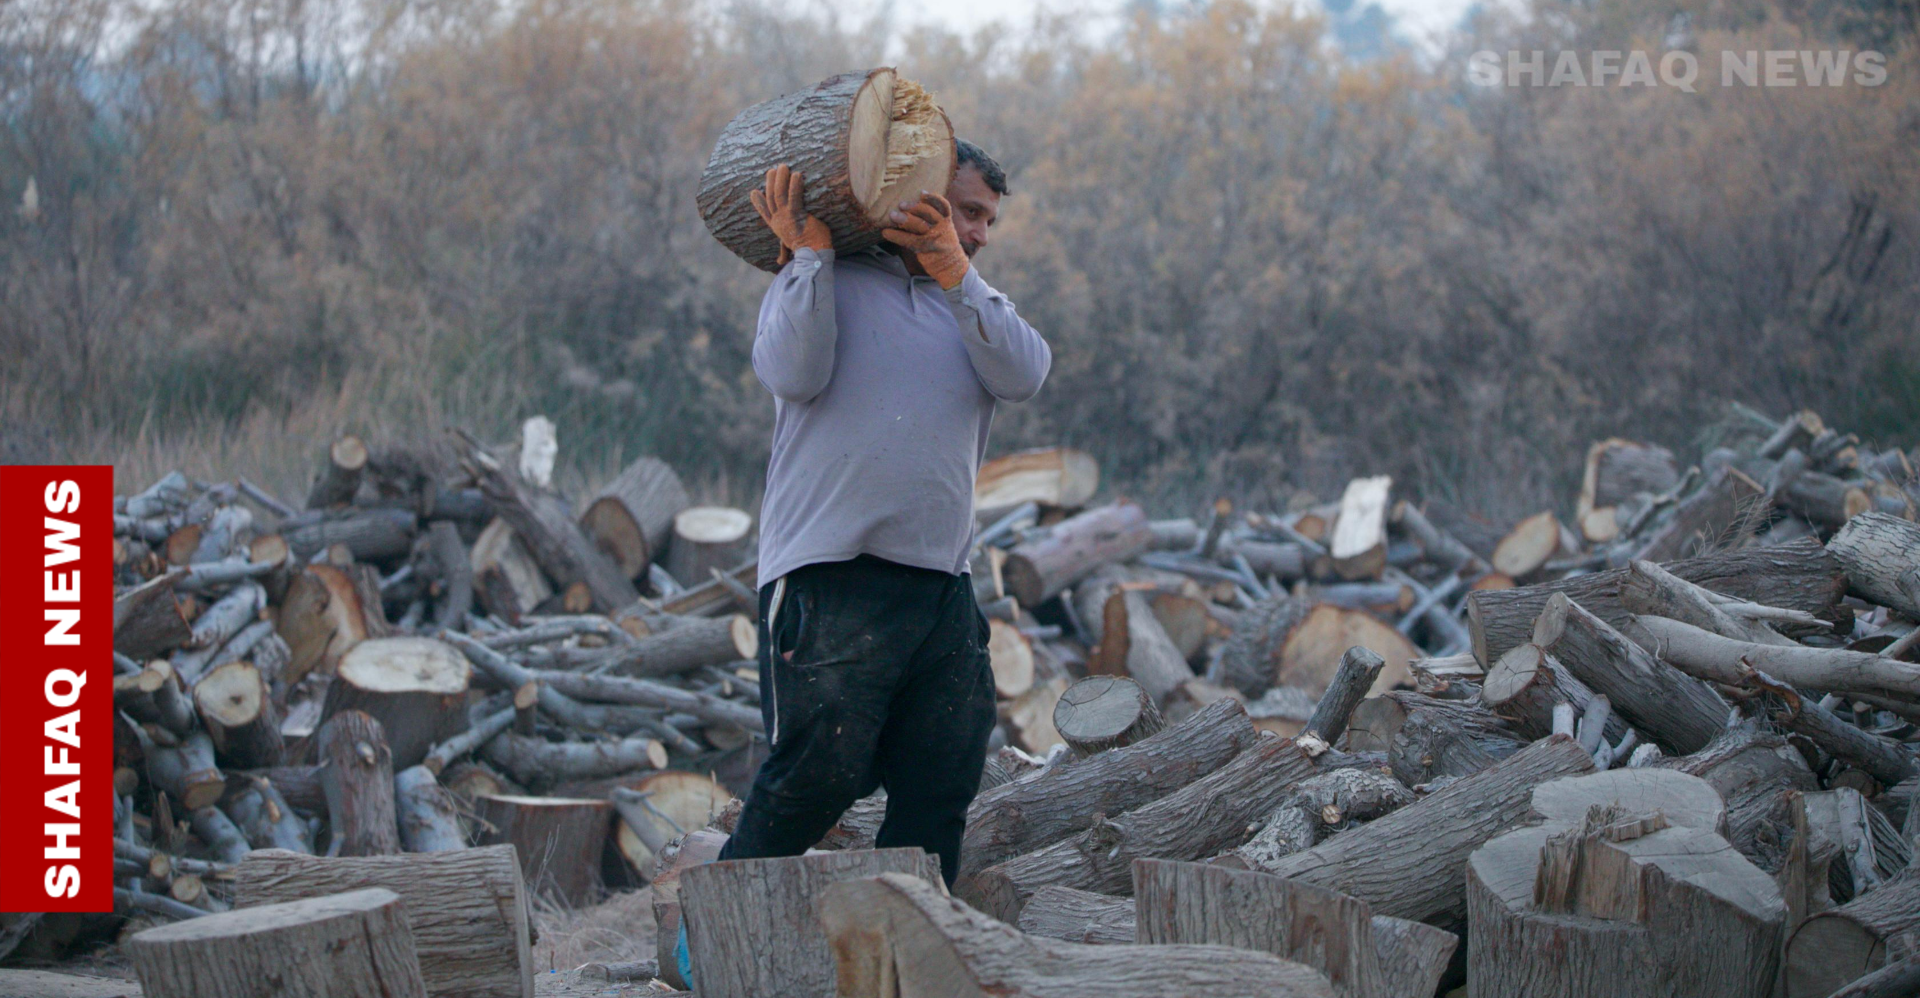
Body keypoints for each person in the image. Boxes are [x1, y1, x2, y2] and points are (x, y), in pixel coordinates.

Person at [678, 138, 1050, 986]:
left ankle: (899, 968)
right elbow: (792, 371)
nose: (980, 231)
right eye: (964, 210)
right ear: (912, 192)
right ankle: (707, 948)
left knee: (943, 780)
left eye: (988, 220)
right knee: (817, 776)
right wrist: (808, 254)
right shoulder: (826, 279)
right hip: (829, 571)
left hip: (942, 583)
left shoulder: (976, 304)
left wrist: (957, 268)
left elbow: (1027, 373)